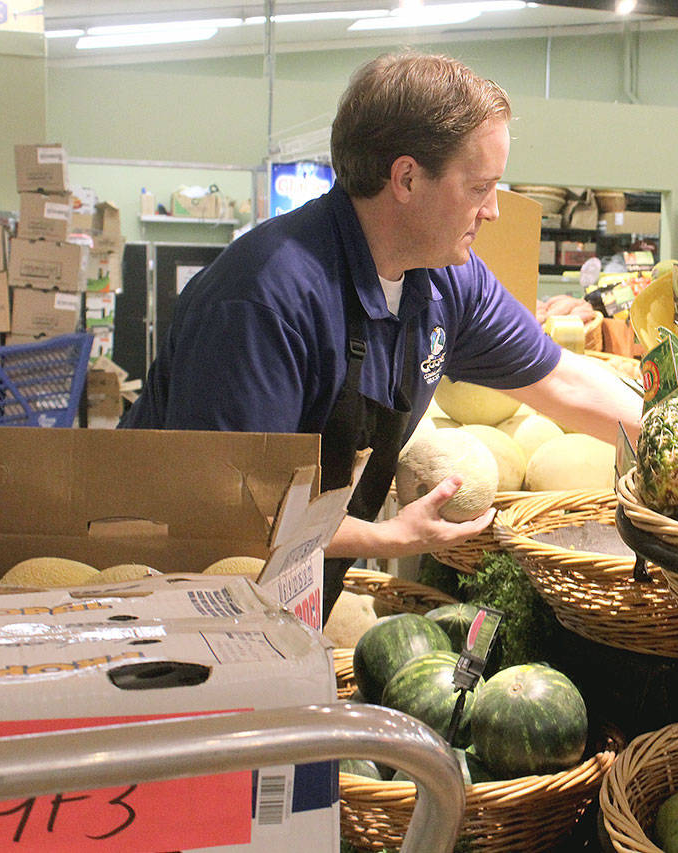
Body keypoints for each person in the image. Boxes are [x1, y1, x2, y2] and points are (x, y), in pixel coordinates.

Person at [120, 52, 642, 619]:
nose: (493, 211)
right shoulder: (265, 299)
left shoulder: (447, 276)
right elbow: (234, 514)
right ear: (407, 178)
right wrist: (390, 538)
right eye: (479, 187)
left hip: (289, 589)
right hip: (171, 600)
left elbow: (562, 379)